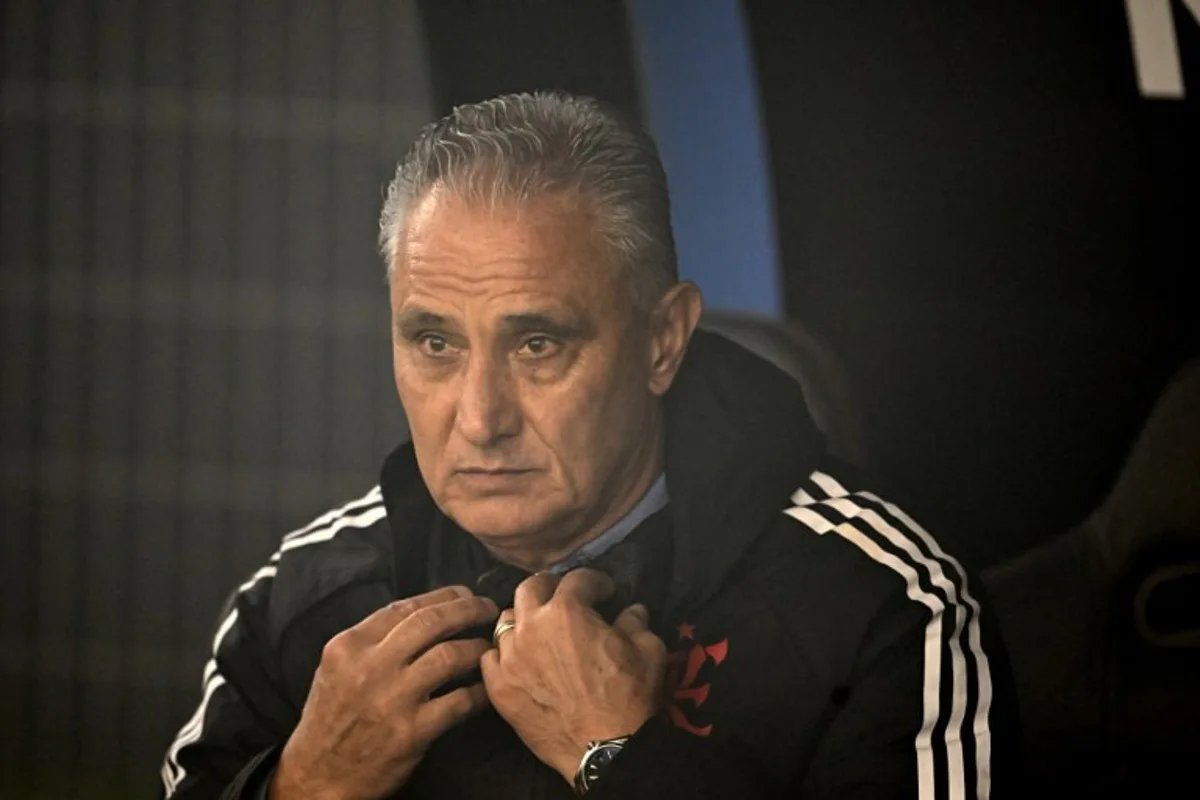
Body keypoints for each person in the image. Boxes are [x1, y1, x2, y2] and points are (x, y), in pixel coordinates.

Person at [160, 91, 1016, 799]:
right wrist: (305, 785)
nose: (480, 416)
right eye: (435, 344)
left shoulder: (889, 608)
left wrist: (617, 758)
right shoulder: (306, 598)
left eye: (539, 345)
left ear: (662, 341)